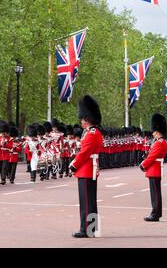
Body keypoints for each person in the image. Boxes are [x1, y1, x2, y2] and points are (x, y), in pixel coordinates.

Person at [69, 95, 103, 238]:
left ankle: (86, 230)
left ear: (87, 119)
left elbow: (84, 153)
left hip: (86, 169)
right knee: (90, 201)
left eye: (82, 119)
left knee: (87, 202)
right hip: (89, 169)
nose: (81, 122)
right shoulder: (92, 132)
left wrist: (73, 165)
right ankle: (92, 229)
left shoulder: (91, 133)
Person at [140, 113, 167, 222]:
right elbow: (151, 155)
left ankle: (155, 214)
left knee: (155, 193)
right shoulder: (158, 142)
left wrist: (143, 164)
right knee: (156, 192)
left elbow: (152, 157)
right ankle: (156, 212)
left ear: (157, 131)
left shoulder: (159, 142)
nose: (153, 134)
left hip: (154, 169)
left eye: (154, 132)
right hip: (154, 169)